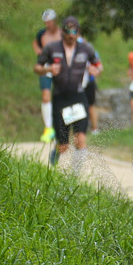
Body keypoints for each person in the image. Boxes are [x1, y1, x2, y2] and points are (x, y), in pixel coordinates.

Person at [34, 16, 102, 169]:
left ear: (78, 32)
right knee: (64, 144)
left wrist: (95, 70)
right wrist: (48, 69)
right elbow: (37, 68)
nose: (71, 35)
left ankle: (74, 179)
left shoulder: (86, 48)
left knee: (80, 138)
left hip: (78, 97)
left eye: (74, 32)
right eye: (68, 31)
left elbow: (98, 65)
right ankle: (57, 153)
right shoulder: (52, 48)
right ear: (62, 32)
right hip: (60, 98)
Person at [32, 9, 62, 142]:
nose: (48, 24)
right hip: (46, 67)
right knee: (45, 95)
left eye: (50, 22)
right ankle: (48, 128)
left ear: (55, 21)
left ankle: (61, 127)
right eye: (46, 22)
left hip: (60, 68)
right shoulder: (42, 34)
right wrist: (38, 50)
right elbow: (35, 42)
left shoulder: (62, 33)